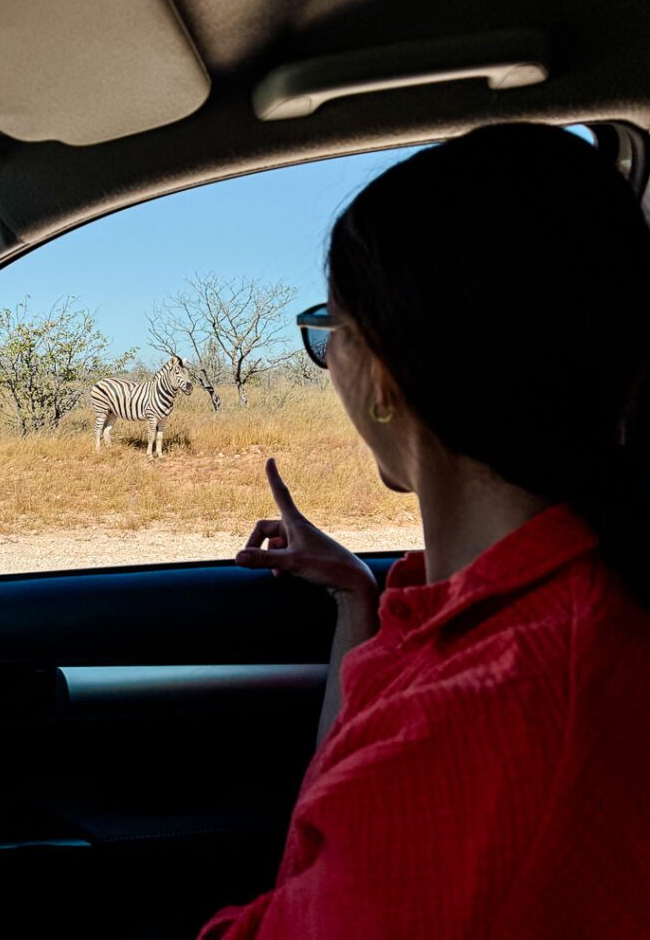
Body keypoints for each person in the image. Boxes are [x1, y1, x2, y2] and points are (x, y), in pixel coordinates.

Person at [197, 123, 650, 939]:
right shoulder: (539, 596)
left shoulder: (494, 713)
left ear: (382, 375)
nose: (324, 360)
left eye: (326, 330)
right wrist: (353, 599)